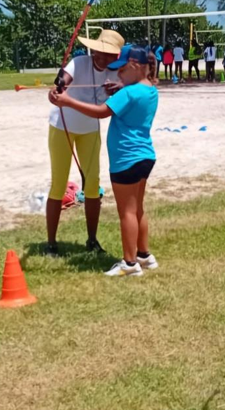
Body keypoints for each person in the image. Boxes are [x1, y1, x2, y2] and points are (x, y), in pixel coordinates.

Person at [51, 45, 159, 277]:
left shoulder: (127, 93)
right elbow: (130, 96)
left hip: (126, 159)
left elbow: (101, 111)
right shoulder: (150, 90)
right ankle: (144, 255)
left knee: (126, 212)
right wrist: (122, 87)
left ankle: (129, 264)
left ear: (135, 66)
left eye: (122, 69)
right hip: (145, 156)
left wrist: (67, 101)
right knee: (138, 209)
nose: (117, 73)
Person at [46, 29, 124, 257]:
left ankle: (92, 240)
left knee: (92, 185)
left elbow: (141, 82)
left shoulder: (118, 73)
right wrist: (58, 88)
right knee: (58, 184)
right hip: (62, 128)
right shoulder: (79, 62)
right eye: (99, 51)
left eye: (108, 54)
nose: (101, 56)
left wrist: (120, 88)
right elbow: (63, 81)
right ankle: (51, 244)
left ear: (115, 56)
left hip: (90, 130)